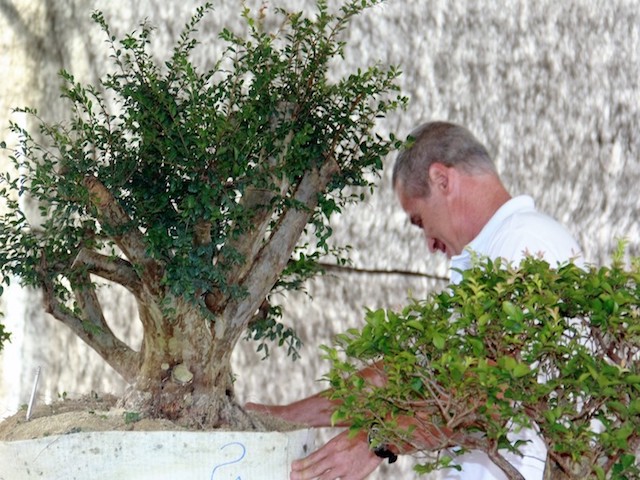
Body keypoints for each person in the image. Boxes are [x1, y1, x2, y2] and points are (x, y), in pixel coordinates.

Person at [246, 121, 583, 479]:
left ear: (442, 179)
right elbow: (412, 379)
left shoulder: (524, 245)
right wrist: (287, 416)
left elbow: (493, 400)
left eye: (419, 221)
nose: (429, 244)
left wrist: (375, 441)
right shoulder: (488, 260)